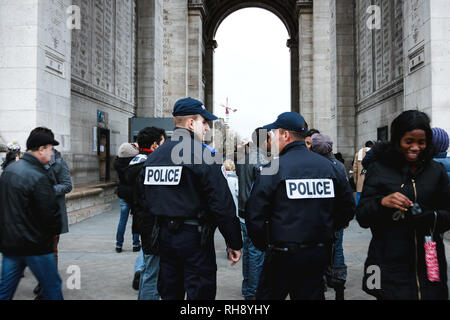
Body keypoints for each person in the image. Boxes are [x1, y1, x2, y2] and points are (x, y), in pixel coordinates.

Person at [141, 97, 243, 300]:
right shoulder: (204, 156)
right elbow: (221, 203)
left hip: (164, 238)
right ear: (190, 123)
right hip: (195, 239)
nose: (206, 128)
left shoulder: (154, 157)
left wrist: (150, 242)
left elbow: (143, 203)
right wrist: (234, 241)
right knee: (200, 293)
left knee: (170, 292)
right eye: (204, 122)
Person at [245, 112, 355, 300]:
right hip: (317, 253)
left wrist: (266, 244)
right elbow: (347, 208)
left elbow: (254, 214)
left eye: (274, 133)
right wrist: (328, 230)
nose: (272, 138)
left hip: (281, 254)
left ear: (285, 135)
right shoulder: (329, 167)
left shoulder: (274, 169)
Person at [356, 110, 450, 300]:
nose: (415, 147)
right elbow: (363, 216)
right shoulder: (378, 169)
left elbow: (447, 212)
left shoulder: (436, 171)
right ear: (398, 139)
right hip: (387, 260)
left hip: (429, 260)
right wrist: (382, 202)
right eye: (409, 141)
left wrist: (432, 217)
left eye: (421, 142)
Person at [0, 130, 63, 300]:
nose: (52, 153)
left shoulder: (9, 170)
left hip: (10, 244)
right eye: (50, 149)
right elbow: (49, 214)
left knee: (5, 290)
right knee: (53, 289)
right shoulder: (38, 176)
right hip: (35, 246)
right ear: (41, 149)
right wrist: (53, 232)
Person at [28, 127, 73, 299]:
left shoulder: (59, 162)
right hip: (33, 215)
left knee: (51, 250)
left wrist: (45, 190)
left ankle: (47, 285)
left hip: (52, 213)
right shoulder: (28, 162)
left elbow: (67, 185)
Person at [123, 126, 166, 299]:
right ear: (155, 145)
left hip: (144, 222)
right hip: (153, 224)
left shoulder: (135, 164)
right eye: (163, 143)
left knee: (150, 269)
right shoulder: (149, 167)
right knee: (153, 273)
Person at [311, 133, 355, 300]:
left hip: (318, 220)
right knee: (337, 250)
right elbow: (346, 195)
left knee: (319, 253)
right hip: (336, 219)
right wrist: (346, 218)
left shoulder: (312, 166)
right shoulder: (339, 166)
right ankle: (338, 284)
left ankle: (320, 282)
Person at [235, 127, 270, 300]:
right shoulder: (262, 159)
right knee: (256, 253)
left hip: (242, 210)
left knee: (249, 251)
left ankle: (247, 286)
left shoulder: (243, 158)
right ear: (264, 140)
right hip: (255, 214)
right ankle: (253, 293)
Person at [114, 142, 140, 253]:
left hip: (122, 193)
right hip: (134, 194)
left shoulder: (117, 163)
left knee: (122, 220)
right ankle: (136, 244)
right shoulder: (135, 163)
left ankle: (118, 245)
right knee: (136, 220)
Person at [353, 141, 374, 205]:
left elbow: (355, 170)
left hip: (360, 182)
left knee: (359, 198)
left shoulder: (358, 153)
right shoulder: (375, 153)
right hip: (372, 182)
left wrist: (356, 181)